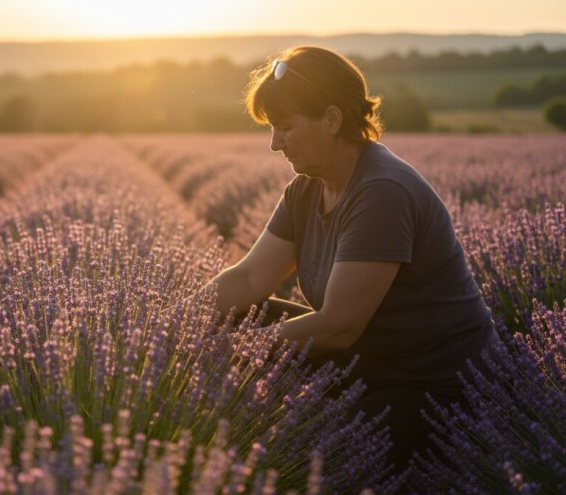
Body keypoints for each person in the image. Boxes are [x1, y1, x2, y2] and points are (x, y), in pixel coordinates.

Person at [201, 45, 500, 473]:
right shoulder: (306, 188)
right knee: (243, 312)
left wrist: (238, 350)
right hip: (367, 361)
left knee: (320, 457)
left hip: (430, 383)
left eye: (284, 128)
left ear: (331, 119)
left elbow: (340, 326)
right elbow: (249, 278)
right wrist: (168, 329)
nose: (273, 145)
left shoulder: (382, 191)